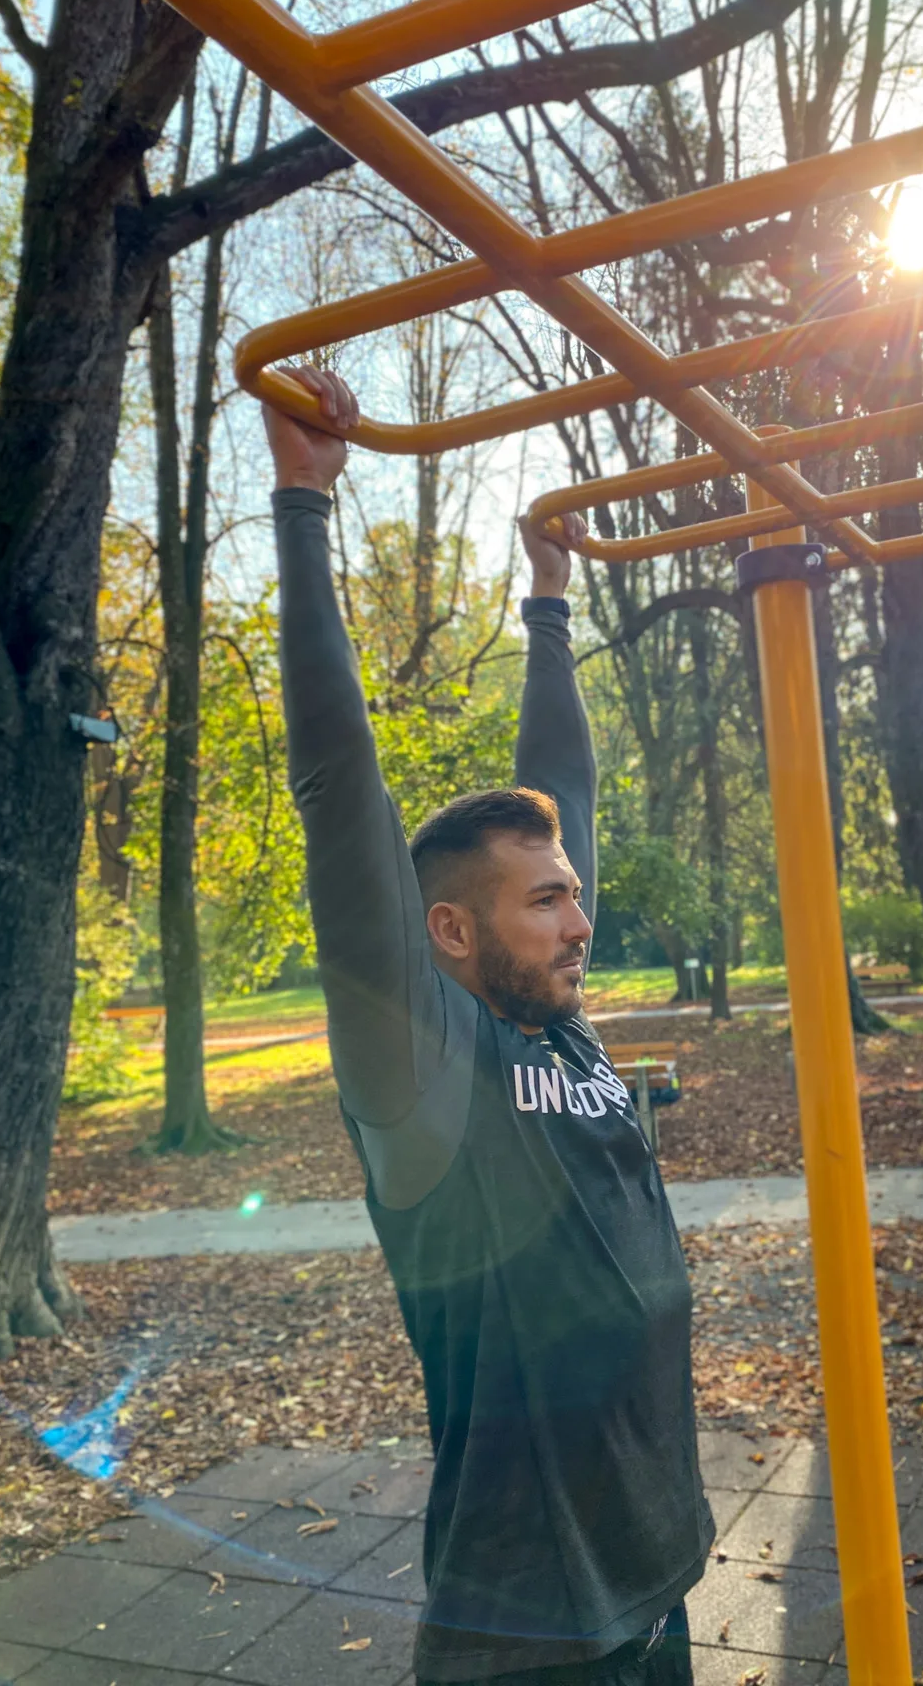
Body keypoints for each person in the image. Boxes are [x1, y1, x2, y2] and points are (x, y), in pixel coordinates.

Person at [265, 367, 714, 1686]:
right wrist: (303, 499)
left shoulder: (561, 1032)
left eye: (574, 895)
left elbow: (556, 789)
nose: (582, 924)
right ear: (450, 935)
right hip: (531, 1639)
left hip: (657, 1578)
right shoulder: (431, 1073)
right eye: (548, 904)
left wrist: (552, 597)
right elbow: (338, 786)